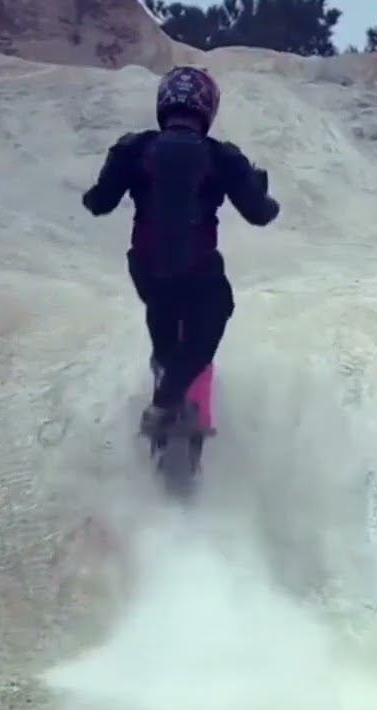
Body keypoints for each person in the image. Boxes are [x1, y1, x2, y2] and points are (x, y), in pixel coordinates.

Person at [80, 65, 280, 437]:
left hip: (147, 267)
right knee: (218, 309)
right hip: (198, 271)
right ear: (207, 108)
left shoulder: (134, 148)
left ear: (164, 103)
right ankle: (167, 398)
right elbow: (260, 214)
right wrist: (261, 190)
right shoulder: (222, 156)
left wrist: (94, 191)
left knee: (162, 323)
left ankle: (164, 388)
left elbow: (99, 202)